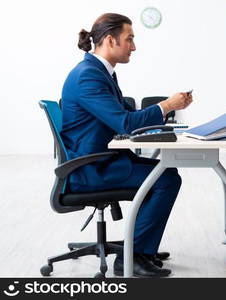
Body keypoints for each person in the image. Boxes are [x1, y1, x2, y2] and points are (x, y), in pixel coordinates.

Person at [60, 13, 192, 277]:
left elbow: (123, 114)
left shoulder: (101, 72)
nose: (134, 46)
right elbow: (125, 123)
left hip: (102, 160)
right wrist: (167, 105)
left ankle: (141, 248)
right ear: (110, 40)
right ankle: (133, 257)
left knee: (164, 174)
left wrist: (158, 119)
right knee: (166, 179)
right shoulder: (88, 76)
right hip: (92, 169)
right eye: (129, 39)